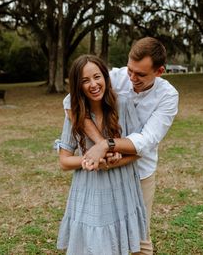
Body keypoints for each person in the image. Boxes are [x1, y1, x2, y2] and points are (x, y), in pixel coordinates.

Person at [63, 37, 179, 255]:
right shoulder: (115, 77)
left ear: (160, 71)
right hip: (105, 173)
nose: (132, 78)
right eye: (130, 70)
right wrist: (100, 144)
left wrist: (105, 146)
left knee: (139, 238)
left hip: (140, 172)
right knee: (108, 236)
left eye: (141, 75)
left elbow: (145, 141)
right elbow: (70, 102)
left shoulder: (168, 97)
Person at [55, 54, 147, 255]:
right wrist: (91, 159)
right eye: (85, 80)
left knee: (117, 245)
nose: (93, 84)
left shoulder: (122, 104)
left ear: (106, 77)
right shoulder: (75, 111)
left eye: (97, 77)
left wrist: (116, 158)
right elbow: (64, 161)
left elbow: (139, 150)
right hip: (90, 188)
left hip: (122, 186)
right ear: (78, 85)